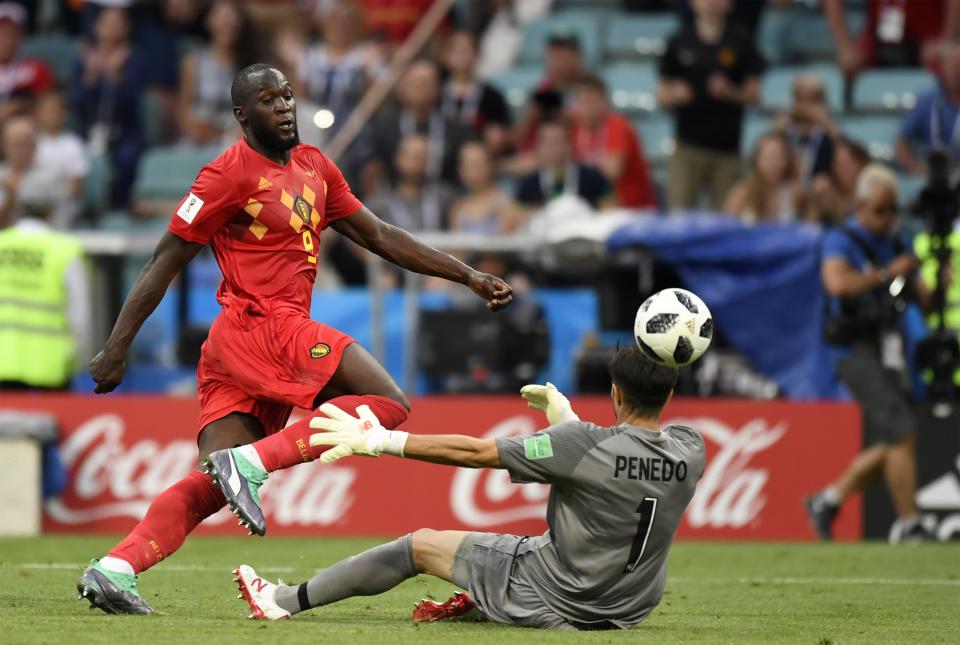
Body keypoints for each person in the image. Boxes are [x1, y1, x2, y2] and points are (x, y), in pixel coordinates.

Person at [75, 63, 513, 615]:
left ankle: (115, 568)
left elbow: (379, 235)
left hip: (242, 346)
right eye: (267, 100)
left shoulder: (315, 166)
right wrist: (117, 347)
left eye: (286, 96)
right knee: (390, 405)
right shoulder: (225, 175)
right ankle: (253, 465)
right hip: (263, 326)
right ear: (242, 115)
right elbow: (164, 261)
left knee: (211, 483)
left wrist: (467, 274)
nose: (284, 106)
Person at [234, 346, 706, 630]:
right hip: (628, 607)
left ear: (615, 394)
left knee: (416, 547)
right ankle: (481, 602)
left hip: (557, 597)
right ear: (669, 395)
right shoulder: (690, 449)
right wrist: (566, 421)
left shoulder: (580, 444)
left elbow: (477, 454)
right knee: (542, 543)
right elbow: (623, 458)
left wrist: (380, 439)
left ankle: (281, 601)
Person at [806, 164, 935, 543]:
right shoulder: (841, 239)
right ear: (860, 206)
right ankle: (910, 525)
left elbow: (922, 299)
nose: (888, 218)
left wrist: (923, 280)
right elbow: (836, 284)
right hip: (849, 348)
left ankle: (827, 499)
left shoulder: (900, 239)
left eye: (893, 209)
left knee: (897, 438)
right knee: (902, 431)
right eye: (880, 210)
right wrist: (885, 274)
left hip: (887, 346)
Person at [657, 0, 764, 212]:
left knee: (727, 218)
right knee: (679, 215)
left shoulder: (741, 40)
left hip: (727, 148)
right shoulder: (679, 39)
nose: (711, 3)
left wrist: (731, 92)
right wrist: (674, 94)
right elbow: (661, 93)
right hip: (687, 146)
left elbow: (754, 95)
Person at [0, 161, 90, 391]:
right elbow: (79, 316)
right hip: (52, 367)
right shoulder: (65, 249)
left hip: (4, 363)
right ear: (51, 209)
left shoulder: (2, 244)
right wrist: (79, 358)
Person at [70, 7, 146, 209]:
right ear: (96, 26)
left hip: (122, 130)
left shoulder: (133, 59)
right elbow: (76, 103)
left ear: (126, 29)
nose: (113, 28)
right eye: (108, 22)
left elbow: (132, 101)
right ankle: (84, 210)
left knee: (127, 158)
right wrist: (91, 77)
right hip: (89, 129)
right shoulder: (85, 59)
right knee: (72, 153)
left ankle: (119, 208)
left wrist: (114, 77)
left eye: (118, 23)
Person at [366, 59, 471, 191]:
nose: (422, 89)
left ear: (439, 88)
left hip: (445, 200)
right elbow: (373, 170)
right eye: (416, 84)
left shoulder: (457, 130)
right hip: (395, 201)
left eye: (427, 83)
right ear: (402, 88)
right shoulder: (383, 126)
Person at [570, 74, 656, 209]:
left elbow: (613, 172)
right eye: (582, 101)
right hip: (597, 209)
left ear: (605, 102)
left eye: (592, 101)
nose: (588, 108)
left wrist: (578, 171)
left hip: (632, 209)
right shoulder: (574, 130)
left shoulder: (618, 126)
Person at [178, 0, 257, 147]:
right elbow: (183, 111)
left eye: (233, 16)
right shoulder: (194, 61)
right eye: (221, 16)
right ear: (208, 21)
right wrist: (195, 129)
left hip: (235, 137)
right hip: (199, 137)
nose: (228, 22)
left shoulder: (250, 63)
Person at [823, 0, 960, 74]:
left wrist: (946, 39)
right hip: (878, 35)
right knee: (849, 64)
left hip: (927, 36)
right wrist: (845, 45)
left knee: (947, 66)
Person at [440, 30, 511, 157]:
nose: (461, 55)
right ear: (445, 56)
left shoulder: (492, 96)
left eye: (466, 49)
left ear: (477, 54)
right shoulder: (434, 93)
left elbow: (501, 133)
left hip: (478, 159)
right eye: (455, 50)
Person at [515, 119, 612, 210]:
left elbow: (611, 210)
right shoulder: (529, 185)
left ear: (570, 144)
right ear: (539, 146)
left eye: (558, 141)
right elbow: (515, 217)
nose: (553, 148)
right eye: (547, 142)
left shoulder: (593, 178)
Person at [365, 133, 453, 232]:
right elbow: (358, 237)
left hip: (436, 247)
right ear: (397, 158)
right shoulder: (378, 202)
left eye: (423, 156)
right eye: (412, 155)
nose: (417, 160)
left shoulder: (444, 198)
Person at [895, 41, 960, 176]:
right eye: (953, 66)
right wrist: (913, 167)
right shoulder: (926, 100)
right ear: (943, 68)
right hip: (928, 173)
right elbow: (901, 142)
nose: (956, 72)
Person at [0, 116, 73, 230]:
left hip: (43, 240)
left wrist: (12, 196)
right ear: (4, 146)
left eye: (25, 144)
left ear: (35, 146)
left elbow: (43, 218)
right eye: (14, 144)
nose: (19, 150)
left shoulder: (52, 175)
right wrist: (10, 199)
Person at [723, 131, 809, 224]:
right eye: (769, 157)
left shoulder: (795, 193)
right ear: (756, 161)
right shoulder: (741, 193)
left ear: (787, 161)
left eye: (779, 157)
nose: (774, 164)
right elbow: (725, 230)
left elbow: (810, 229)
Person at [775, 73, 839, 190]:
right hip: (787, 189)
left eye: (814, 100)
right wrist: (777, 131)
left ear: (823, 103)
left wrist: (829, 126)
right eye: (802, 99)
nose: (807, 106)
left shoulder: (829, 134)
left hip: (820, 192)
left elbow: (845, 159)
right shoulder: (785, 131)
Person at [449, 140, 522, 235]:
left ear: (491, 165)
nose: (472, 172)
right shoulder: (457, 209)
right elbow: (456, 247)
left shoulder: (505, 204)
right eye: (466, 165)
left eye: (477, 165)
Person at [0, 3, 54, 129]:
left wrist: (22, 107)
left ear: (20, 36)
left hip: (28, 133)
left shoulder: (36, 69)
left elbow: (50, 109)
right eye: (2, 34)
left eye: (11, 33)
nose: (6, 39)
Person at [34, 91, 90, 204]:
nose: (51, 115)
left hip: (63, 204)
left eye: (55, 110)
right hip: (32, 201)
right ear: (38, 114)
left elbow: (77, 185)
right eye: (47, 110)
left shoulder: (73, 143)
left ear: (64, 114)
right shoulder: (30, 142)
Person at [810, 137, 871, 226]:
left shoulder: (871, 193)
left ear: (861, 163)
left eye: (849, 162)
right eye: (838, 163)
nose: (844, 169)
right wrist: (815, 199)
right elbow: (810, 228)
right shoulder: (828, 193)